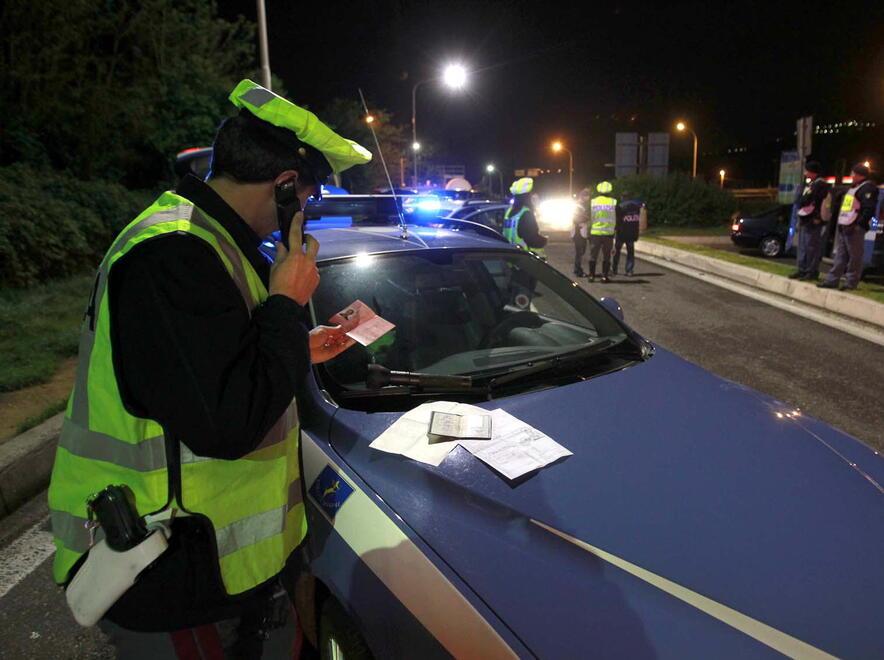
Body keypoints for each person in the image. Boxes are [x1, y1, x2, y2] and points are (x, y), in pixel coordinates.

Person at [47, 79, 371, 657]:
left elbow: (225, 363)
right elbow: (227, 422)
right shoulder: (172, 254)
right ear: (287, 187)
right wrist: (285, 305)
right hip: (174, 573)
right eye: (311, 199)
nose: (305, 217)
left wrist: (299, 343)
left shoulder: (210, 239)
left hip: (218, 571)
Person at [819, 163, 879, 290]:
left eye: (853, 173)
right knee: (841, 256)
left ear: (858, 175)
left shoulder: (868, 188)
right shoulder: (855, 188)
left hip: (854, 227)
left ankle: (850, 282)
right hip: (845, 225)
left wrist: (859, 225)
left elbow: (869, 209)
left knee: (854, 257)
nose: (851, 176)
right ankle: (832, 280)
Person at [789, 161, 830, 281]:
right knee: (802, 246)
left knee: (811, 247)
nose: (805, 174)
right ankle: (802, 269)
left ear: (813, 172)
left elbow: (809, 199)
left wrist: (817, 217)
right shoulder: (809, 184)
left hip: (813, 220)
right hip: (805, 218)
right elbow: (800, 199)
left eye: (807, 171)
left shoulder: (821, 185)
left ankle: (811, 271)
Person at [502, 177, 548, 258]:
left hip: (511, 256)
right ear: (527, 197)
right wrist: (544, 240)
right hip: (525, 258)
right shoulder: (526, 214)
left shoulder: (509, 212)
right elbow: (531, 239)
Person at [588, 181, 617, 282]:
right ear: (610, 191)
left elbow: (590, 216)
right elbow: (617, 217)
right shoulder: (613, 202)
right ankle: (604, 276)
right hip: (608, 234)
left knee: (593, 255)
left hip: (595, 233)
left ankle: (591, 276)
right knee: (607, 256)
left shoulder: (593, 202)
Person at [613, 191, 643, 276]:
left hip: (621, 233)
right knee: (630, 252)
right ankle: (629, 270)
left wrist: (614, 230)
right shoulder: (636, 206)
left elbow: (617, 219)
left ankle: (614, 269)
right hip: (632, 233)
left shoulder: (620, 207)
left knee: (617, 251)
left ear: (623, 197)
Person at [571, 188, 591, 276]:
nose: (589, 198)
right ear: (583, 196)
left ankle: (577, 269)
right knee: (580, 252)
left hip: (580, 231)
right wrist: (587, 217)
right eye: (588, 196)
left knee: (581, 251)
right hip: (578, 231)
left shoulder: (581, 205)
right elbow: (577, 219)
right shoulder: (578, 206)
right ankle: (578, 270)